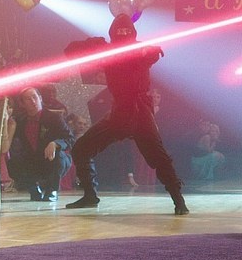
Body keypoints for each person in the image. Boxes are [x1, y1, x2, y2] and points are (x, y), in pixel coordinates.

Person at [63, 14, 188, 215]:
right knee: (81, 149)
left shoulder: (140, 50)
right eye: (119, 31)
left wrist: (143, 51)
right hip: (120, 113)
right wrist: (95, 44)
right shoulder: (110, 51)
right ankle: (90, 195)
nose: (122, 34)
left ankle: (179, 201)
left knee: (159, 157)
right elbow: (70, 51)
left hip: (139, 112)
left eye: (125, 31)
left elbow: (152, 54)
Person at [7, 87, 74, 202]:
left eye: (34, 97)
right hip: (33, 160)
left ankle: (52, 190)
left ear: (40, 98)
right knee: (12, 162)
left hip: (51, 158)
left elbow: (70, 139)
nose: (33, 101)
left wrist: (55, 143)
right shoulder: (21, 121)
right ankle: (33, 189)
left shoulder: (54, 118)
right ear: (22, 104)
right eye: (28, 99)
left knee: (59, 157)